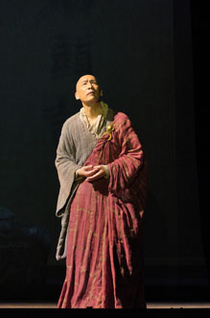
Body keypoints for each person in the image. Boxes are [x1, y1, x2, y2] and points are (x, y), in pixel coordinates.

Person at [54, 75, 147, 308]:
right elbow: (62, 159)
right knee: (83, 258)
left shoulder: (119, 121)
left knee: (115, 256)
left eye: (93, 82)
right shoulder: (70, 125)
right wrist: (78, 171)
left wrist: (108, 169)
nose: (89, 85)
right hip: (83, 202)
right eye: (83, 84)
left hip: (112, 200)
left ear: (101, 91)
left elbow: (135, 155)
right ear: (76, 95)